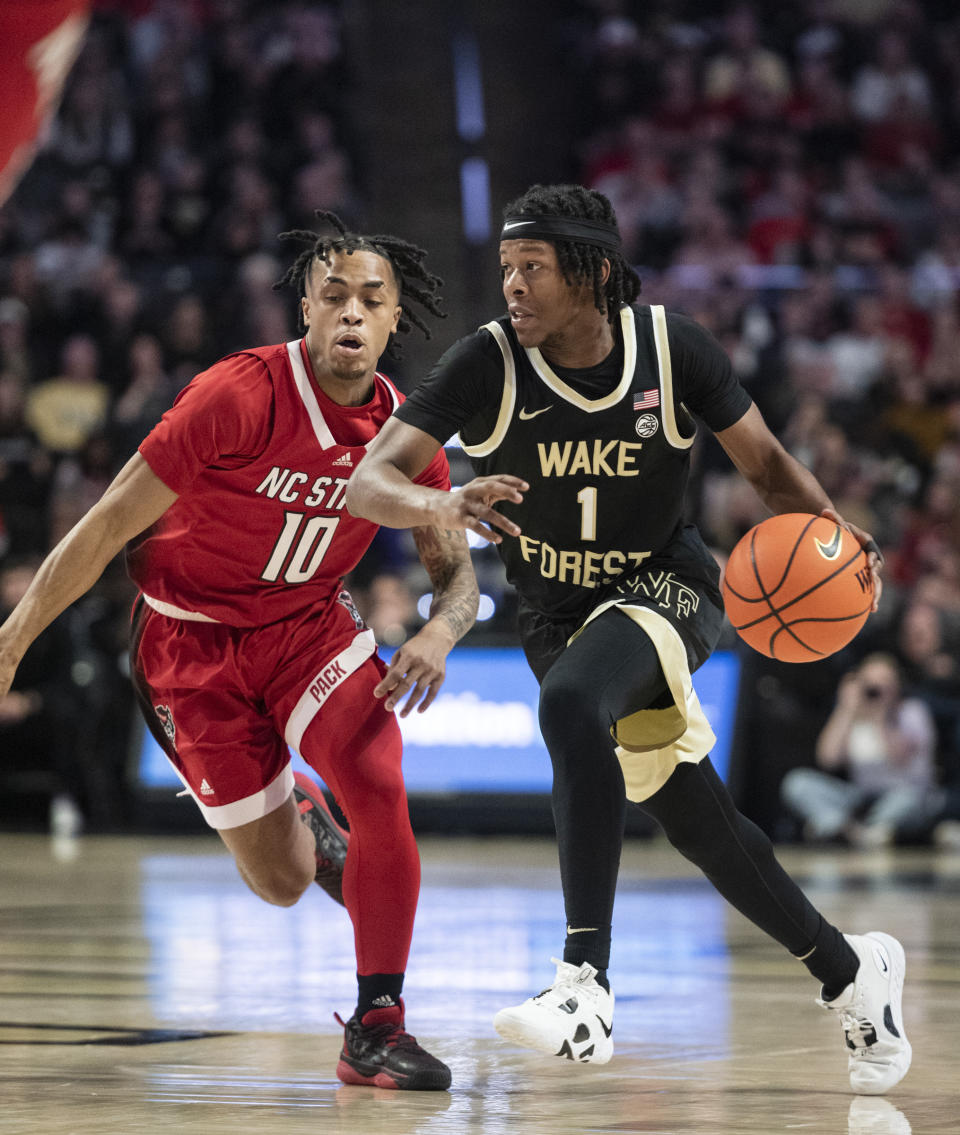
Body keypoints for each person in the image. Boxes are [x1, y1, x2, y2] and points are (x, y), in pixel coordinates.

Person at [345, 183, 911, 1094]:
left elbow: (763, 464)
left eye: (532, 268)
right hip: (555, 614)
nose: (513, 288)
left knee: (571, 704)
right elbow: (369, 480)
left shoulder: (671, 348)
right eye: (505, 269)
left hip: (668, 587)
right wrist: (441, 501)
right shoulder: (487, 362)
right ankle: (853, 973)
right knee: (701, 822)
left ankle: (584, 985)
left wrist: (839, 535)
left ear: (593, 271)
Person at [0, 211, 477, 1092]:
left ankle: (377, 1026)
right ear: (305, 307)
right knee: (283, 882)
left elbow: (458, 578)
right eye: (333, 293)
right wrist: (12, 638)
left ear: (394, 318)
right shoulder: (238, 393)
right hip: (189, 640)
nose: (351, 311)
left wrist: (442, 632)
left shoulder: (405, 438)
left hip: (307, 628)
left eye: (372, 299)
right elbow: (106, 523)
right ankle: (302, 819)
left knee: (379, 778)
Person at [782, 652, 940, 847]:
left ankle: (846, 828)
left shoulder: (912, 711)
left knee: (909, 800)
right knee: (797, 783)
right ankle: (850, 829)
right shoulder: (853, 715)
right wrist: (845, 708)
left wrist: (880, 717)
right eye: (869, 682)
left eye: (884, 681)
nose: (876, 688)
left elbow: (900, 758)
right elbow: (828, 759)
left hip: (902, 794)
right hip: (860, 799)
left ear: (897, 685)